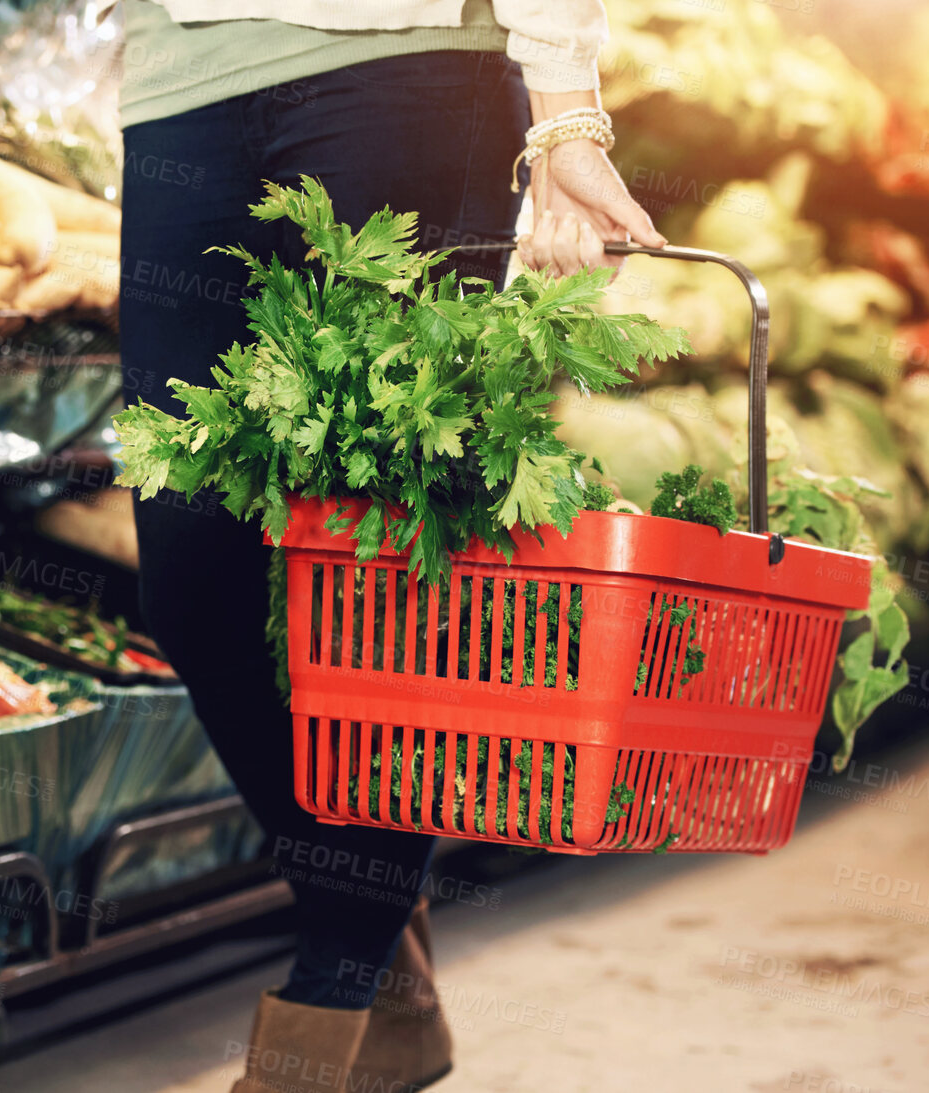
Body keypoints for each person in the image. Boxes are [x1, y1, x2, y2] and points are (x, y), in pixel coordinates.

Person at [118, 2, 665, 1090]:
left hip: (405, 63)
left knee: (390, 595)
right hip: (178, 76)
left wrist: (565, 114)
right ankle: (387, 966)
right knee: (194, 582)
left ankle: (327, 998)